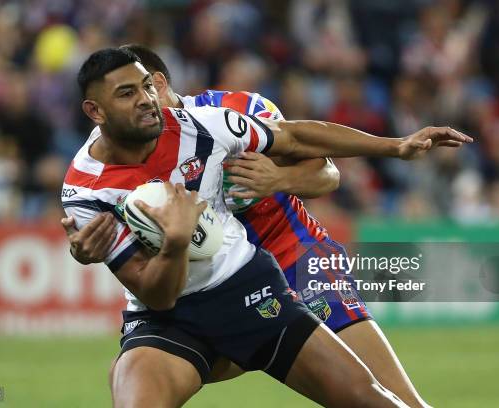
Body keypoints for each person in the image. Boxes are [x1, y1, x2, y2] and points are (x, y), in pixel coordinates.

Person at [64, 48, 470, 407]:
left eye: (147, 88)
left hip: (277, 263)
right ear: (96, 112)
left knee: (380, 398)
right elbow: (156, 293)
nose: (147, 102)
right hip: (172, 309)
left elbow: (312, 158)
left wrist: (395, 146)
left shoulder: (213, 120)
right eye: (127, 93)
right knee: (129, 378)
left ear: (160, 83)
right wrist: (173, 240)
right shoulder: (86, 188)